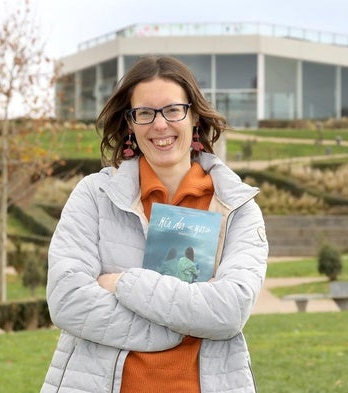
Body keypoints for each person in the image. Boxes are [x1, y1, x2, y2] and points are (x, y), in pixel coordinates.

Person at [40, 55, 269, 393]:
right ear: (129, 123)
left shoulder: (237, 209)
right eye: (145, 113)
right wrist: (181, 324)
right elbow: (67, 300)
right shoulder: (94, 196)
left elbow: (229, 311)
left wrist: (123, 284)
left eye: (173, 110)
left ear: (193, 115)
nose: (160, 125)